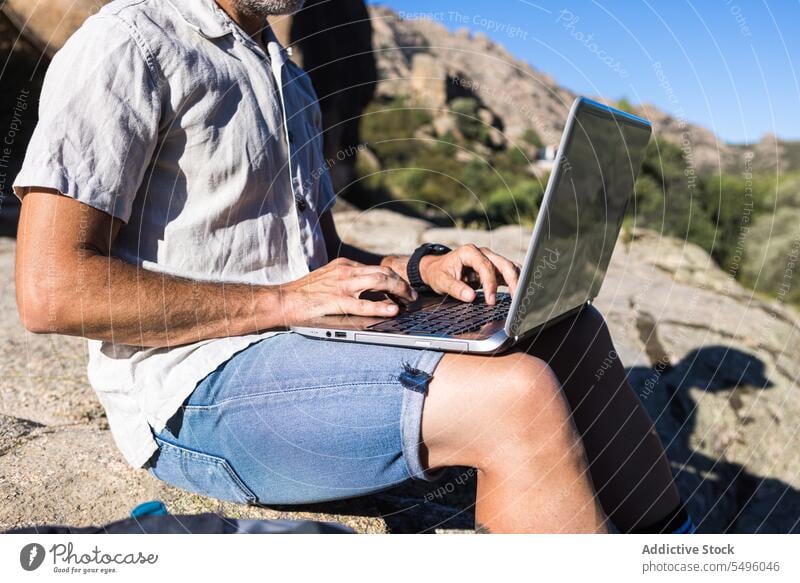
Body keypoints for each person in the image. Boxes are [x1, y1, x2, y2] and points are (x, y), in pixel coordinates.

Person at [13, 0, 692, 533]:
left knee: (570, 333)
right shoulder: (128, 42)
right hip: (191, 394)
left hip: (301, 349)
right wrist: (285, 301)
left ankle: (674, 547)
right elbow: (51, 290)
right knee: (516, 396)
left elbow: (319, 259)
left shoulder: (288, 76)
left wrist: (419, 267)